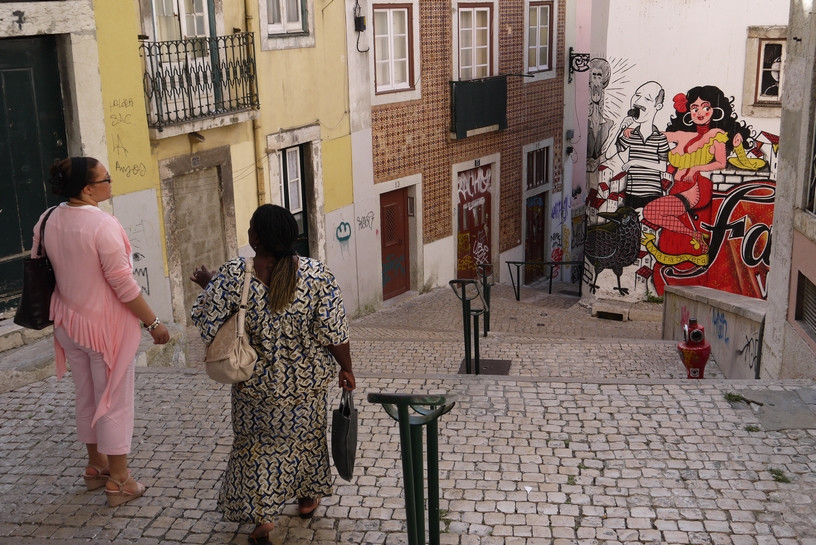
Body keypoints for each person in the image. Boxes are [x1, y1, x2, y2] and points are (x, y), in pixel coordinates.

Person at [190, 204, 356, 544]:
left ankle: (264, 522)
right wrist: (347, 368)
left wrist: (211, 285)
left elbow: (208, 323)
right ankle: (308, 498)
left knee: (256, 451)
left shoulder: (235, 274)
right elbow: (334, 333)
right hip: (305, 388)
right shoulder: (316, 275)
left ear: (255, 238)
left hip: (254, 389)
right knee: (307, 441)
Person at [33, 156, 170, 507]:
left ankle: (96, 466)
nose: (111, 182)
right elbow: (123, 285)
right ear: (87, 188)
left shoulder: (47, 219)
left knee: (88, 396)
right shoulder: (103, 226)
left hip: (68, 323)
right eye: (105, 178)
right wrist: (153, 323)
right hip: (105, 330)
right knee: (113, 401)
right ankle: (120, 481)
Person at [643, 85, 754, 258]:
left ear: (715, 110)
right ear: (689, 112)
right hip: (676, 187)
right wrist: (631, 129)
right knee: (656, 216)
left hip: (693, 188)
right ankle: (692, 236)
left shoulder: (716, 134)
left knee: (651, 211)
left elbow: (721, 162)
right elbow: (653, 134)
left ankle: (692, 235)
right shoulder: (681, 135)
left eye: (706, 107)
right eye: (695, 108)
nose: (700, 112)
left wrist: (696, 167)